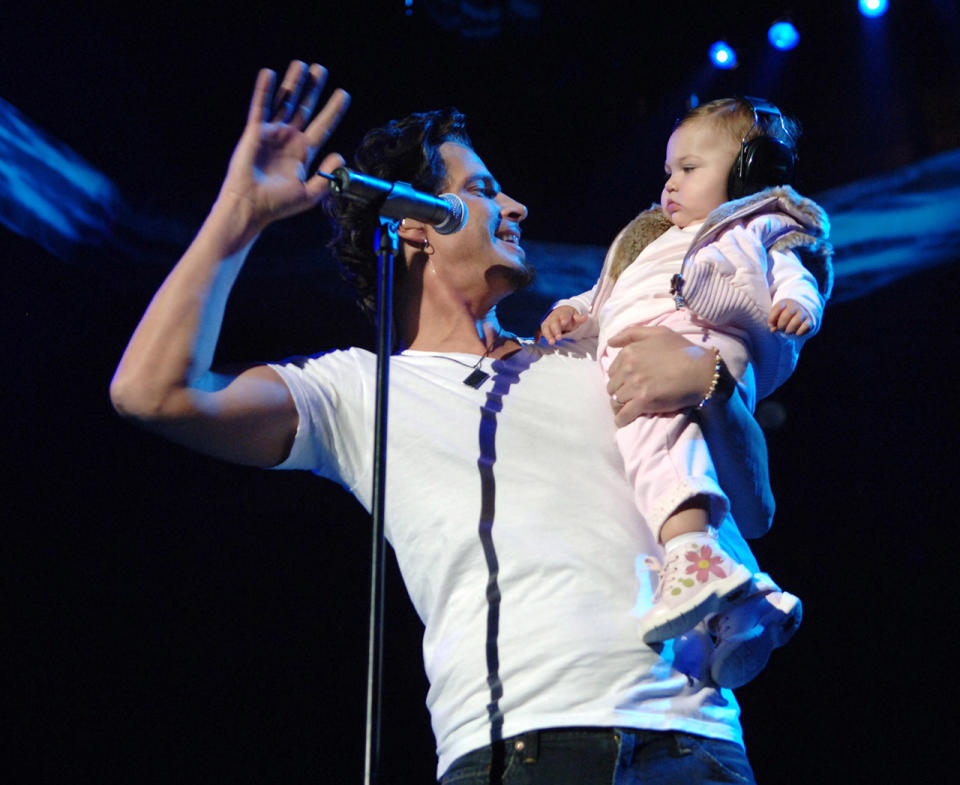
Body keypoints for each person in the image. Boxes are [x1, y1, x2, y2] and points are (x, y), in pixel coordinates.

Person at [111, 61, 779, 784]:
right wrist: (238, 214)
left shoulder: (596, 356)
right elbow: (152, 391)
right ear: (415, 228)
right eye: (483, 191)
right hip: (513, 748)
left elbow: (755, 509)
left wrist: (713, 386)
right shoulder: (361, 390)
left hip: (688, 739)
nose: (517, 206)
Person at [539, 98, 832, 654]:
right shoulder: (654, 241)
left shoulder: (755, 225)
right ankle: (750, 602)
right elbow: (611, 295)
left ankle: (692, 554)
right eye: (669, 171)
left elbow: (795, 274)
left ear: (749, 173)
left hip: (697, 341)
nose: (671, 184)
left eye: (690, 170)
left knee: (656, 445)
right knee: (682, 459)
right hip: (654, 346)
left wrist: (801, 306)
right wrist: (577, 312)